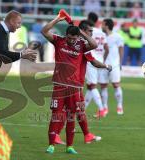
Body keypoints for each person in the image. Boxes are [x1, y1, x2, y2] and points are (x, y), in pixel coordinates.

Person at [41, 16, 111, 154]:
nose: (71, 41)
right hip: (59, 85)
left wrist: (81, 32)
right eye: (69, 38)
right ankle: (51, 145)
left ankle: (70, 146)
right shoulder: (59, 41)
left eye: (74, 38)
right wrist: (57, 20)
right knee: (56, 115)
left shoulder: (81, 45)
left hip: (74, 87)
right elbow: (44, 31)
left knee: (71, 115)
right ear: (65, 35)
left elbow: (95, 45)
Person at [0, 10, 37, 150]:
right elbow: (2, 53)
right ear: (11, 21)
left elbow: (2, 56)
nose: (19, 26)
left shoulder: (1, 30)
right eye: (18, 23)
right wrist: (21, 54)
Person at [84, 12, 109, 117]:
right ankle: (82, 109)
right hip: (99, 60)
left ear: (88, 19)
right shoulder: (102, 33)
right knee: (90, 86)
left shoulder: (89, 32)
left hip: (91, 60)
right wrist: (103, 60)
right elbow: (107, 49)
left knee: (92, 85)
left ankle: (102, 109)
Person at [100, 18, 124, 115]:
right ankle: (105, 108)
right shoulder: (101, 36)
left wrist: (120, 63)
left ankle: (119, 106)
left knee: (116, 85)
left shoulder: (117, 36)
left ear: (107, 25)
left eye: (102, 24)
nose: (101, 26)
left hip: (114, 65)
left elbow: (121, 49)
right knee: (103, 86)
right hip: (103, 65)